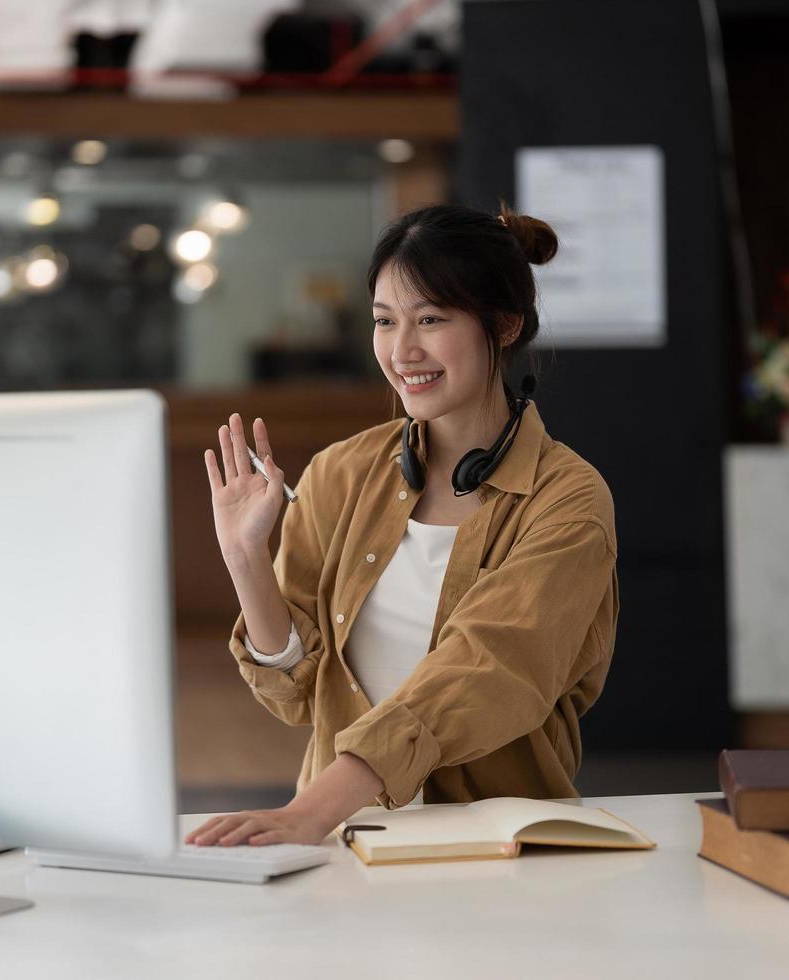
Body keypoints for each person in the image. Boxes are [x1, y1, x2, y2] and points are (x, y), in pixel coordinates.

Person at [187, 203, 619, 848]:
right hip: (345, 843)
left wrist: (312, 809)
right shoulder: (341, 473)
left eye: (432, 319)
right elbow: (295, 694)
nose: (402, 350)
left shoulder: (567, 500)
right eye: (384, 322)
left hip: (498, 853)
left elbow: (491, 668)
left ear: (502, 326)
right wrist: (246, 556)